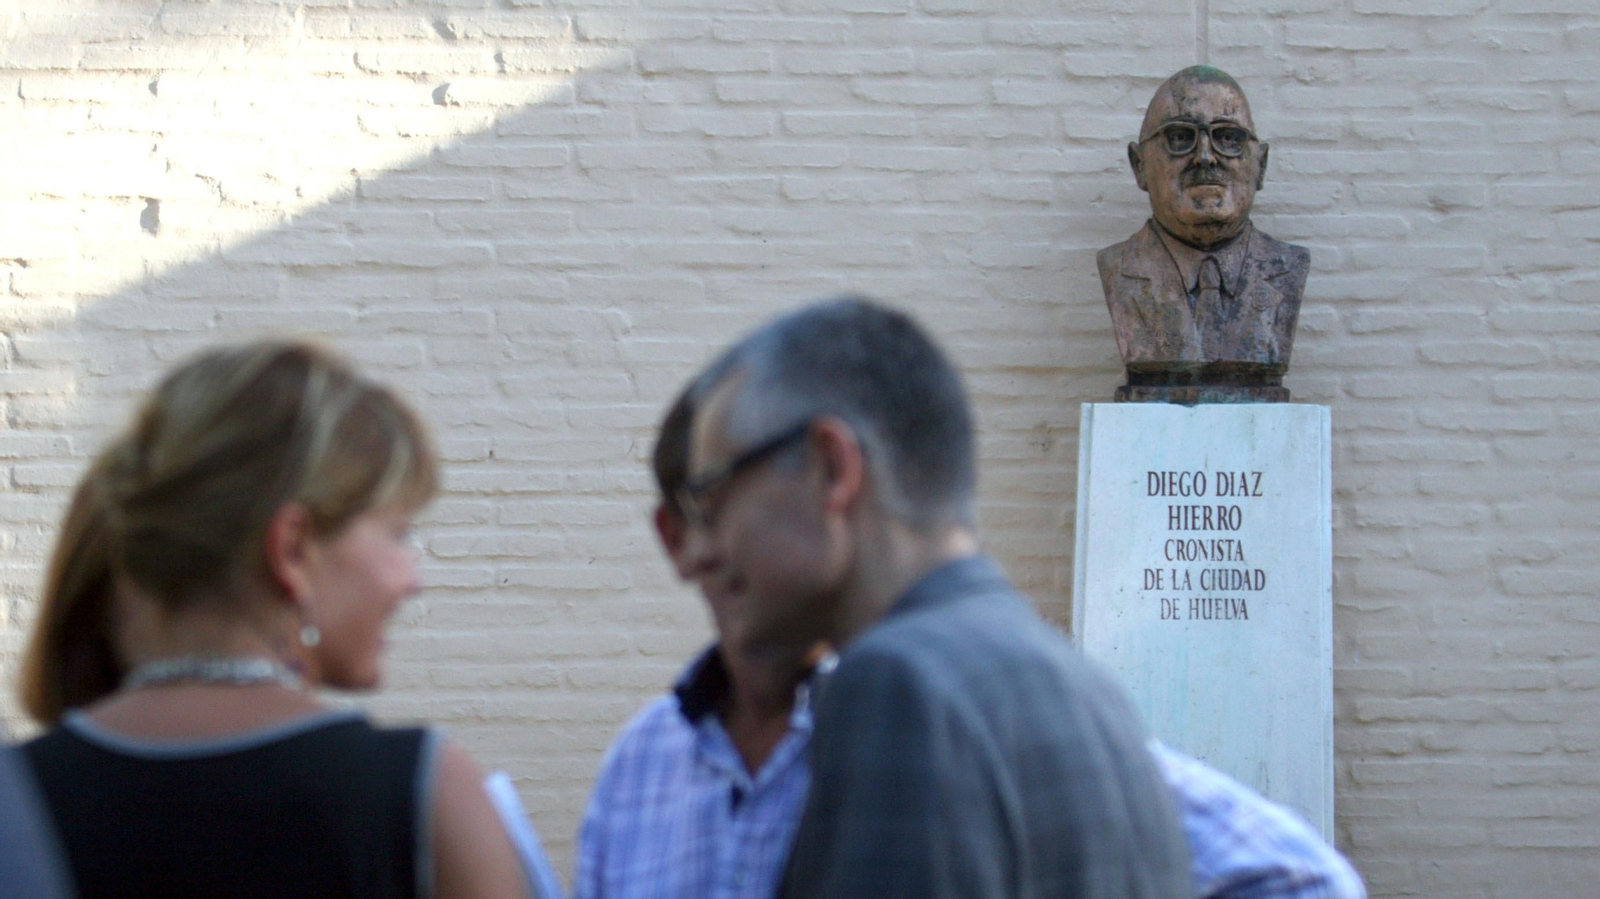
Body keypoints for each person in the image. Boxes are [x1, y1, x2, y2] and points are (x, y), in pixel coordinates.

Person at [574, 386, 1366, 899]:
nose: (715, 548)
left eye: (734, 504)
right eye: (696, 513)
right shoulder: (642, 763)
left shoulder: (946, 712)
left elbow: (1302, 877)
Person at [676, 297, 1190, 899]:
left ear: (831, 467)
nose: (696, 553)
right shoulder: (1085, 690)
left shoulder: (900, 687)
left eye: (711, 500)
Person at [15, 341, 528, 899]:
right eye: (398, 533)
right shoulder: (423, 797)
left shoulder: (17, 800)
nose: (413, 578)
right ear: (292, 549)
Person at [1097, 65, 1310, 400]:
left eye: (1229, 138)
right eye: (1180, 137)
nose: (1206, 157)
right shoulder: (1119, 266)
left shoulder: (1288, 266)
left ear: (1262, 166)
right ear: (1139, 165)